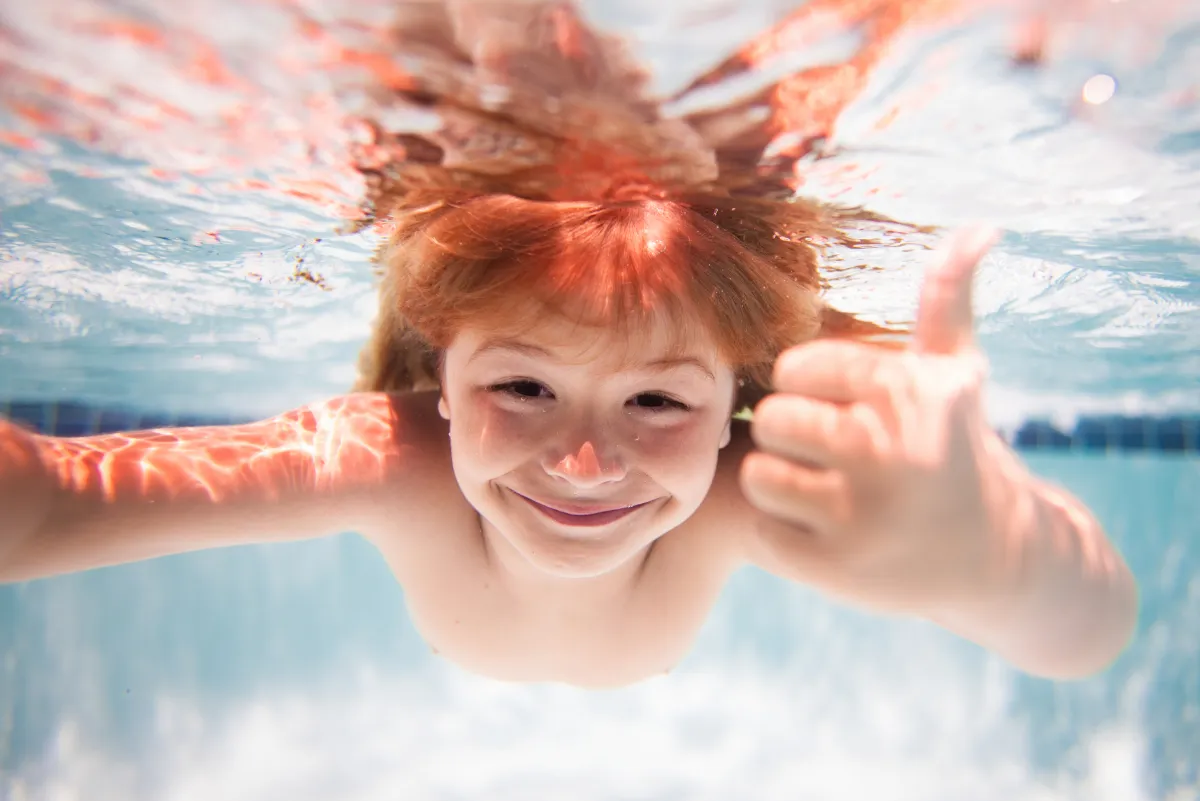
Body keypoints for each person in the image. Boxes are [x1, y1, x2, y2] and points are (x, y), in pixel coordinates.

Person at [0, 1, 1136, 688]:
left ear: (733, 402)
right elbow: (50, 502)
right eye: (523, 386)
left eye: (659, 402)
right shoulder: (385, 459)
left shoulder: (748, 491)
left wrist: (994, 553)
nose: (584, 465)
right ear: (441, 376)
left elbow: (1086, 631)